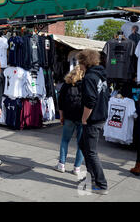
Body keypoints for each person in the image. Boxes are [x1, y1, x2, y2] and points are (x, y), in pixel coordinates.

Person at [77, 49, 109, 195]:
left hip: (93, 119)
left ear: (85, 62)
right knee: (83, 146)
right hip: (100, 116)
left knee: (91, 152)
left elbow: (90, 100)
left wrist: (84, 118)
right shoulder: (100, 75)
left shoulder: (90, 77)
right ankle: (92, 177)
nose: (79, 65)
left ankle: (101, 184)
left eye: (80, 62)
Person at [55, 65, 84, 175]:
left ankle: (61, 164)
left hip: (69, 116)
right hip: (81, 117)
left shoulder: (66, 84)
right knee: (80, 143)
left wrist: (61, 116)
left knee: (65, 140)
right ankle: (77, 168)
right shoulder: (85, 84)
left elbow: (61, 102)